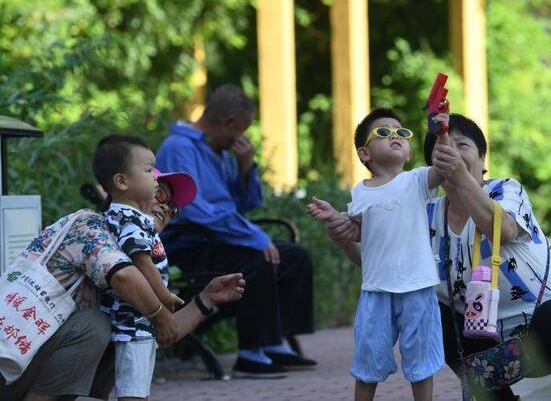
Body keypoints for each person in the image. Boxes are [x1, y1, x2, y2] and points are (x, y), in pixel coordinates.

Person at [324, 113, 551, 401]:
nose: (452, 153)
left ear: (483, 159)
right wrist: (345, 240)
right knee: (432, 310)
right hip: (496, 350)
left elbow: (504, 231)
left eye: (462, 145)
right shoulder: (426, 214)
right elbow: (386, 267)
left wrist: (460, 177)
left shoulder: (505, 189)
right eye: (443, 148)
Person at [0, 157, 245, 401]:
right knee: (93, 325)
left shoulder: (149, 262)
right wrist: (160, 313)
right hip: (11, 360)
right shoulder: (92, 227)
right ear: (125, 188)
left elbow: (165, 329)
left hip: (30, 361)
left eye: (171, 207)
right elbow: (128, 281)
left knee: (114, 331)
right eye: (159, 193)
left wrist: (206, 298)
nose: (164, 208)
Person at [156, 84, 316, 377]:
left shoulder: (222, 153)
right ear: (229, 121)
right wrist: (254, 237)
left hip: (219, 241)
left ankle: (274, 342)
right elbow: (192, 209)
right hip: (187, 244)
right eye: (240, 130)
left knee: (294, 257)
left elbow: (246, 204)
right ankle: (250, 353)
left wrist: (245, 168)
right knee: (256, 259)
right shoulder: (179, 147)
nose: (241, 139)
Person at [307, 108, 447, 401]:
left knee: (421, 364)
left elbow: (446, 166)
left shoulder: (417, 180)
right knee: (368, 362)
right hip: (376, 291)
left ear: (409, 151)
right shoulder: (360, 194)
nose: (394, 136)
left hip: (417, 288)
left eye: (401, 133)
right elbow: (359, 239)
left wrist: (441, 133)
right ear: (365, 153)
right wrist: (335, 218)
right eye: (383, 133)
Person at [92, 134, 197, 400]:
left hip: (134, 318)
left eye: (171, 207)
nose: (154, 177)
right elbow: (140, 261)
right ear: (122, 181)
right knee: (134, 390)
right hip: (134, 320)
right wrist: (164, 296)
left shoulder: (128, 217)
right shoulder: (129, 220)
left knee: (125, 384)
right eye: (150, 170)